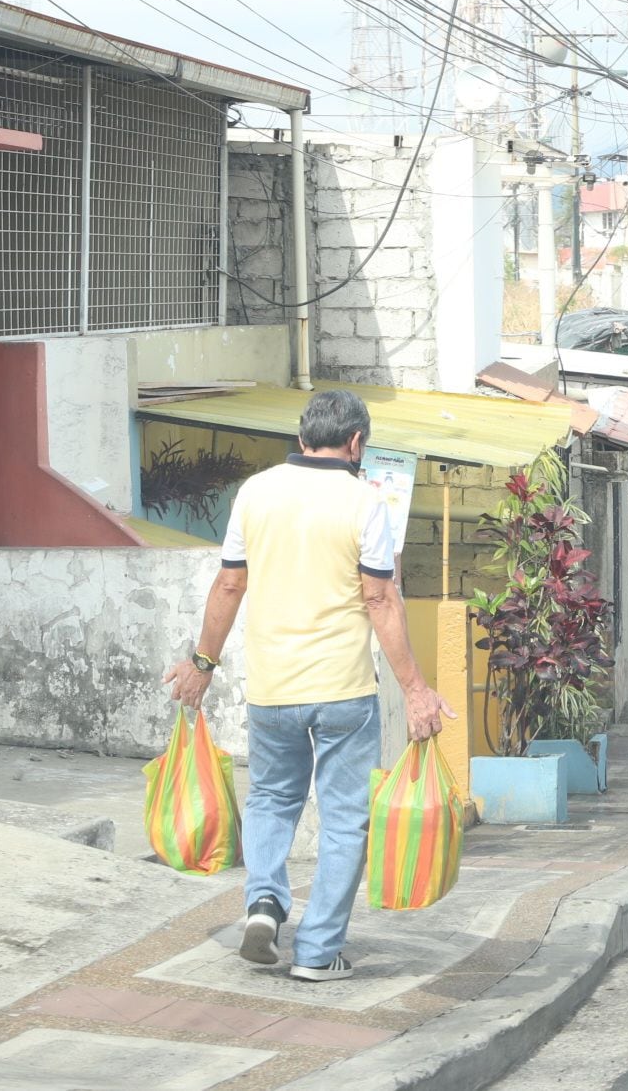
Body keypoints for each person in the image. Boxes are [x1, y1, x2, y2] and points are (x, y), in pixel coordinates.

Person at [164, 389, 454, 983]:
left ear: (302, 439)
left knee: (272, 800)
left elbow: (227, 587)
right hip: (343, 689)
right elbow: (380, 598)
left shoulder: (256, 492)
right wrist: (417, 689)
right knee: (345, 819)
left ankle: (265, 905)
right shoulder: (364, 501)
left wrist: (201, 664)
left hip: (272, 688)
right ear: (355, 444)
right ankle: (319, 952)